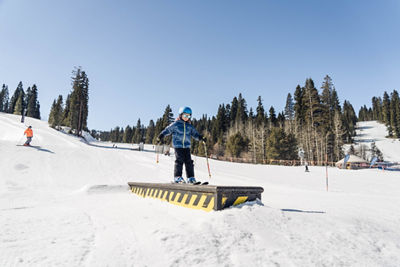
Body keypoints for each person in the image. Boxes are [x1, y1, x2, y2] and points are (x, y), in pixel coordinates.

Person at [158, 106, 206, 184]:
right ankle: (177, 177)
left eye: (188, 116)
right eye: (185, 115)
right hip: (178, 146)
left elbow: (195, 134)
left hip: (186, 146)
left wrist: (200, 138)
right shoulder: (176, 124)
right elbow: (168, 130)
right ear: (180, 115)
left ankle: (190, 178)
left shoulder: (189, 126)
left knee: (189, 162)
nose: (187, 117)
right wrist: (161, 135)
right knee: (179, 160)